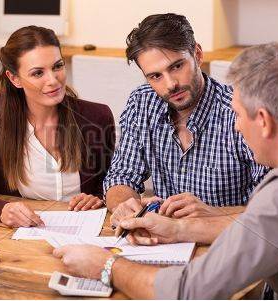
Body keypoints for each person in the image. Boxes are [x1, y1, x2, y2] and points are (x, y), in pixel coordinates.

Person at [54, 42, 278, 299]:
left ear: (263, 120)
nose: (236, 124)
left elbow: (188, 292)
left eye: (238, 115)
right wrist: (178, 229)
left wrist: (105, 266)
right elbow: (265, 229)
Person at [104, 13, 268, 227]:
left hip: (229, 243)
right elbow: (120, 175)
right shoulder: (141, 102)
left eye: (177, 66)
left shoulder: (240, 110)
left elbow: (275, 207)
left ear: (197, 54)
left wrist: (213, 213)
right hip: (165, 243)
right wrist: (125, 205)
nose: (170, 84)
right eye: (155, 76)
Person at [0, 26, 115, 227]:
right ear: (14, 78)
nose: (53, 80)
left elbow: (110, 183)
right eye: (38, 73)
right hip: (21, 235)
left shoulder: (97, 117)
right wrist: (0, 209)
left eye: (57, 66)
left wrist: (99, 197)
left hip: (84, 232)